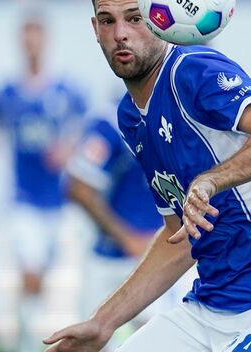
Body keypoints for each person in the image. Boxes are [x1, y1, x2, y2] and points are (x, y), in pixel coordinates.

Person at [43, 0, 251, 351]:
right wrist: (103, 323)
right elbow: (180, 237)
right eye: (108, 21)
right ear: (95, 29)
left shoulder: (191, 69)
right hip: (205, 308)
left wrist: (211, 180)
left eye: (134, 18)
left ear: (160, 18)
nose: (121, 33)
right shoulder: (129, 117)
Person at [0, 14, 87, 352]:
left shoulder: (67, 91)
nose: (32, 45)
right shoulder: (6, 94)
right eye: (27, 39)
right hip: (24, 201)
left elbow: (88, 131)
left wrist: (69, 148)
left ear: (45, 42)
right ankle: (28, 340)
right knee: (31, 276)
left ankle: (56, 337)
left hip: (63, 201)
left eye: (37, 38)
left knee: (63, 282)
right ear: (21, 43)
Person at [64, 102, 182, 351]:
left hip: (162, 258)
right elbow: (79, 187)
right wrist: (125, 237)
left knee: (158, 341)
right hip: (111, 259)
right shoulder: (110, 123)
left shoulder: (184, 119)